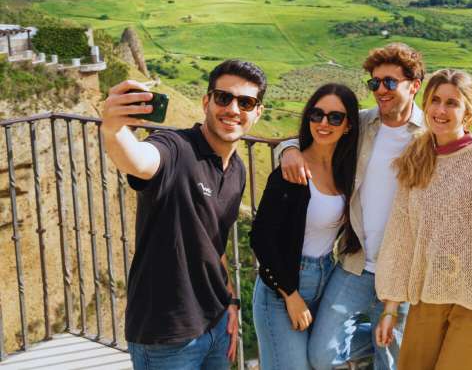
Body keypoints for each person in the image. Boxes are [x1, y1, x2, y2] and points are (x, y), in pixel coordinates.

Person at [101, 59, 267, 369]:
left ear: (257, 112)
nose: (233, 109)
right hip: (167, 333)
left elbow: (214, 242)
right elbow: (140, 159)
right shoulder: (176, 148)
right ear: (206, 101)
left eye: (245, 102)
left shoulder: (238, 171)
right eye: (223, 97)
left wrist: (230, 301)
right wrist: (114, 129)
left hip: (217, 323)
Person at [277, 42, 425, 370]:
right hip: (355, 265)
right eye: (374, 83)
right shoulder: (360, 125)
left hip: (400, 275)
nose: (380, 90)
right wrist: (288, 150)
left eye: (390, 82)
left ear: (414, 85)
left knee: (393, 363)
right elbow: (313, 134)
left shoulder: (429, 135)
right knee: (322, 355)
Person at [374, 69, 472, 370]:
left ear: (467, 111)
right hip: (428, 296)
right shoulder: (415, 159)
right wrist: (390, 309)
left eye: (452, 103)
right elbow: (401, 234)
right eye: (435, 101)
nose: (441, 110)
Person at [250, 83, 360, 369]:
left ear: (348, 126)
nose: (324, 123)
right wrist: (291, 295)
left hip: (324, 277)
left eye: (335, 117)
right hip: (283, 287)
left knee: (319, 360)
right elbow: (261, 238)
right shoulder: (291, 172)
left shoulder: (345, 171)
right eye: (317, 114)